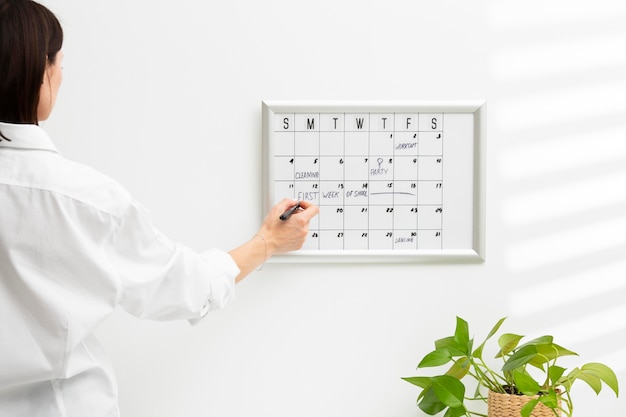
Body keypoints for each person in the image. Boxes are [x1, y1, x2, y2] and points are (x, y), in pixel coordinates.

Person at [0, 1, 318, 416]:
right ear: (39, 71)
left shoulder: (82, 197)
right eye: (58, 61)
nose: (62, 73)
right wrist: (269, 241)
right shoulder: (84, 199)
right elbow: (187, 287)